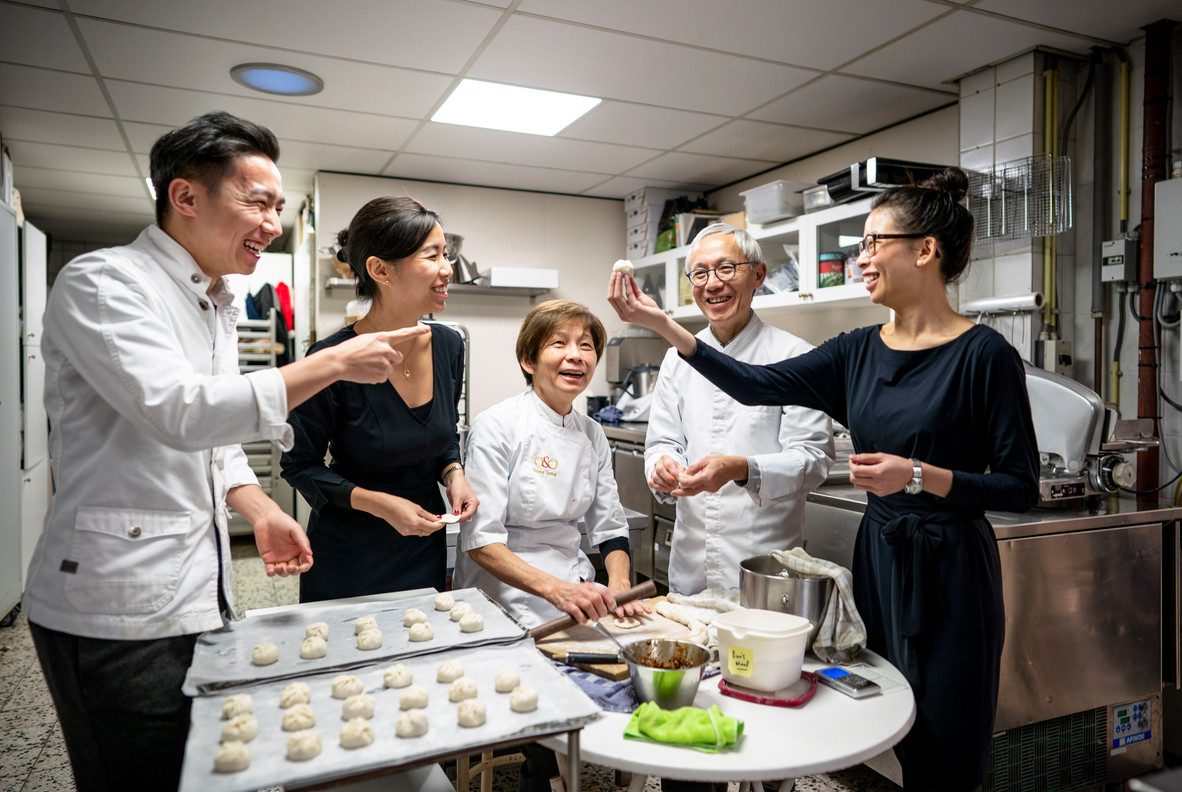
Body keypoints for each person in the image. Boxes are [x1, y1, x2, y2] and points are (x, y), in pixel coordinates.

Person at [23, 111, 423, 792]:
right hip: (115, 602)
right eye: (258, 202)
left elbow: (214, 440)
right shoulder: (105, 283)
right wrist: (329, 364)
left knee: (197, 768)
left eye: (277, 205)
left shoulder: (214, 300)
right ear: (186, 197)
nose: (272, 222)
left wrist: (258, 505)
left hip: (195, 589)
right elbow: (179, 411)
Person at [609, 167, 1040, 792]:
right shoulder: (857, 350)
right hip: (882, 557)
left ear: (925, 250)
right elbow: (752, 383)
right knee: (881, 715)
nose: (861, 257)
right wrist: (662, 327)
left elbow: (1019, 486)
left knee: (947, 749)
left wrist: (919, 475)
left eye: (872, 242)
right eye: (860, 244)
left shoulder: (985, 356)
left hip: (950, 571)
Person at [454, 300, 646, 792]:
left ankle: (614, 747)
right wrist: (558, 592)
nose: (575, 356)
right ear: (529, 359)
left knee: (643, 660)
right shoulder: (498, 426)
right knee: (551, 678)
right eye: (559, 344)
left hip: (571, 579)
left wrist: (619, 587)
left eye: (586, 346)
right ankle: (544, 770)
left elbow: (609, 525)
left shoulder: (592, 433)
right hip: (504, 587)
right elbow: (481, 541)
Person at [280, 197, 478, 602]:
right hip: (351, 550)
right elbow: (300, 465)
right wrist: (381, 505)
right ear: (380, 270)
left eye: (447, 254)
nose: (447, 269)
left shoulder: (449, 345)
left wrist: (453, 472)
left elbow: (442, 436)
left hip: (421, 542)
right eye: (432, 256)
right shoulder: (330, 358)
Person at [644, 223, 833, 595]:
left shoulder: (796, 357)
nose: (712, 283)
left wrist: (742, 469)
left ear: (758, 275)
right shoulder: (677, 358)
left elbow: (813, 459)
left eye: (726, 268)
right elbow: (661, 442)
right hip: (691, 564)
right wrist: (662, 467)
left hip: (764, 563)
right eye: (700, 273)